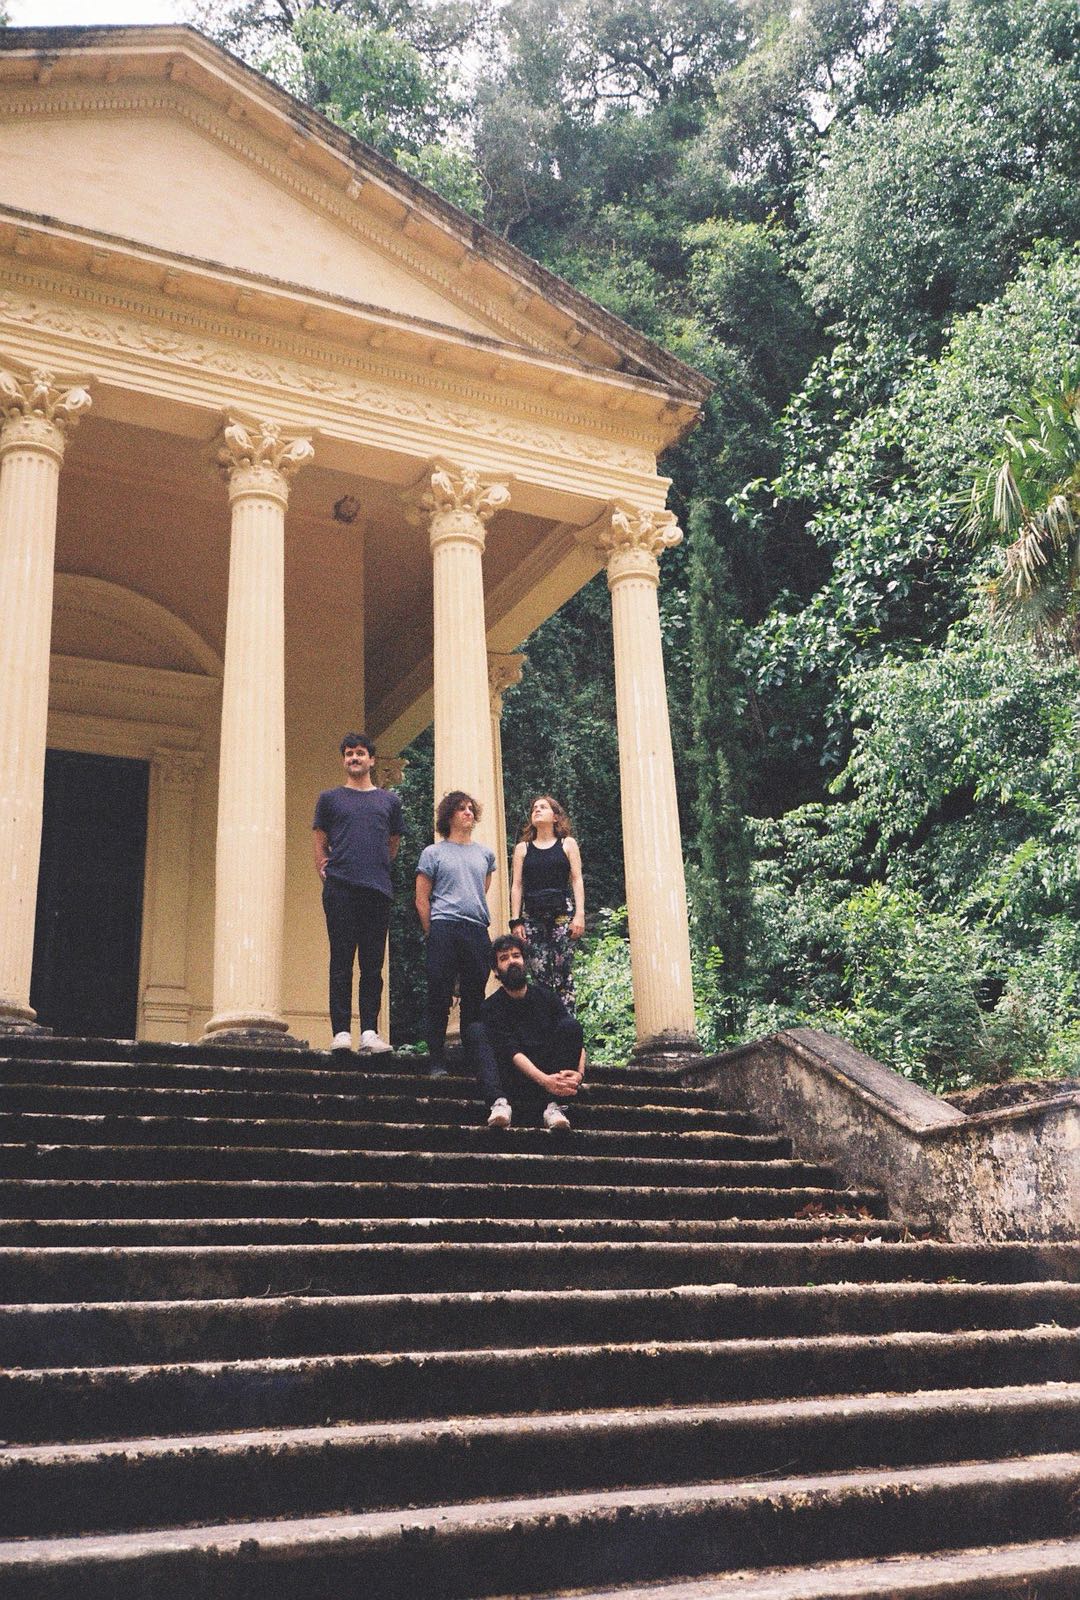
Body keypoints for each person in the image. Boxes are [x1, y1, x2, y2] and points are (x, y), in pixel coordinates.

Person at [312, 732, 402, 1054]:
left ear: (371, 759)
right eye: (349, 753)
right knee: (341, 961)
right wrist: (325, 869)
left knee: (372, 965)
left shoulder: (389, 801)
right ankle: (340, 1033)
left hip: (377, 890)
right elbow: (320, 840)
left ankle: (369, 1032)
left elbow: (392, 844)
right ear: (344, 760)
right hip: (340, 889)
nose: (354, 757)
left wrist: (373, 866)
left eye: (360, 753)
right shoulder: (329, 799)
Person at [465, 933, 586, 1131]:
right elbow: (511, 1052)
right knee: (475, 1030)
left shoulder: (548, 998)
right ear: (496, 970)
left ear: (524, 961)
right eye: (504, 958)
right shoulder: (491, 1007)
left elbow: (577, 1041)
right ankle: (498, 1104)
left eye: (516, 955)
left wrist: (579, 1075)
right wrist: (545, 1081)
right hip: (513, 1079)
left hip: (549, 1076)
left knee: (571, 1025)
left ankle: (555, 1107)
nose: (512, 961)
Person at [415, 791, 497, 1079]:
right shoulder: (433, 853)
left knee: (474, 998)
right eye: (461, 808)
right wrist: (433, 932)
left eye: (471, 808)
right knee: (439, 995)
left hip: (476, 929)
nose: (468, 812)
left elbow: (480, 890)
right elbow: (421, 899)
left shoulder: (485, 855)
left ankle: (471, 1060)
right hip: (444, 926)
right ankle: (436, 1059)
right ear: (449, 816)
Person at [509, 795, 585, 1011]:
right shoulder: (522, 848)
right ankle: (543, 1024)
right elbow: (517, 885)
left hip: (562, 915)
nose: (537, 810)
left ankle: (567, 1024)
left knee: (563, 973)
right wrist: (516, 921)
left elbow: (577, 879)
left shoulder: (567, 844)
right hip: (532, 918)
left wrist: (579, 914)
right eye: (534, 808)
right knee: (538, 973)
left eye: (543, 807)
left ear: (555, 817)